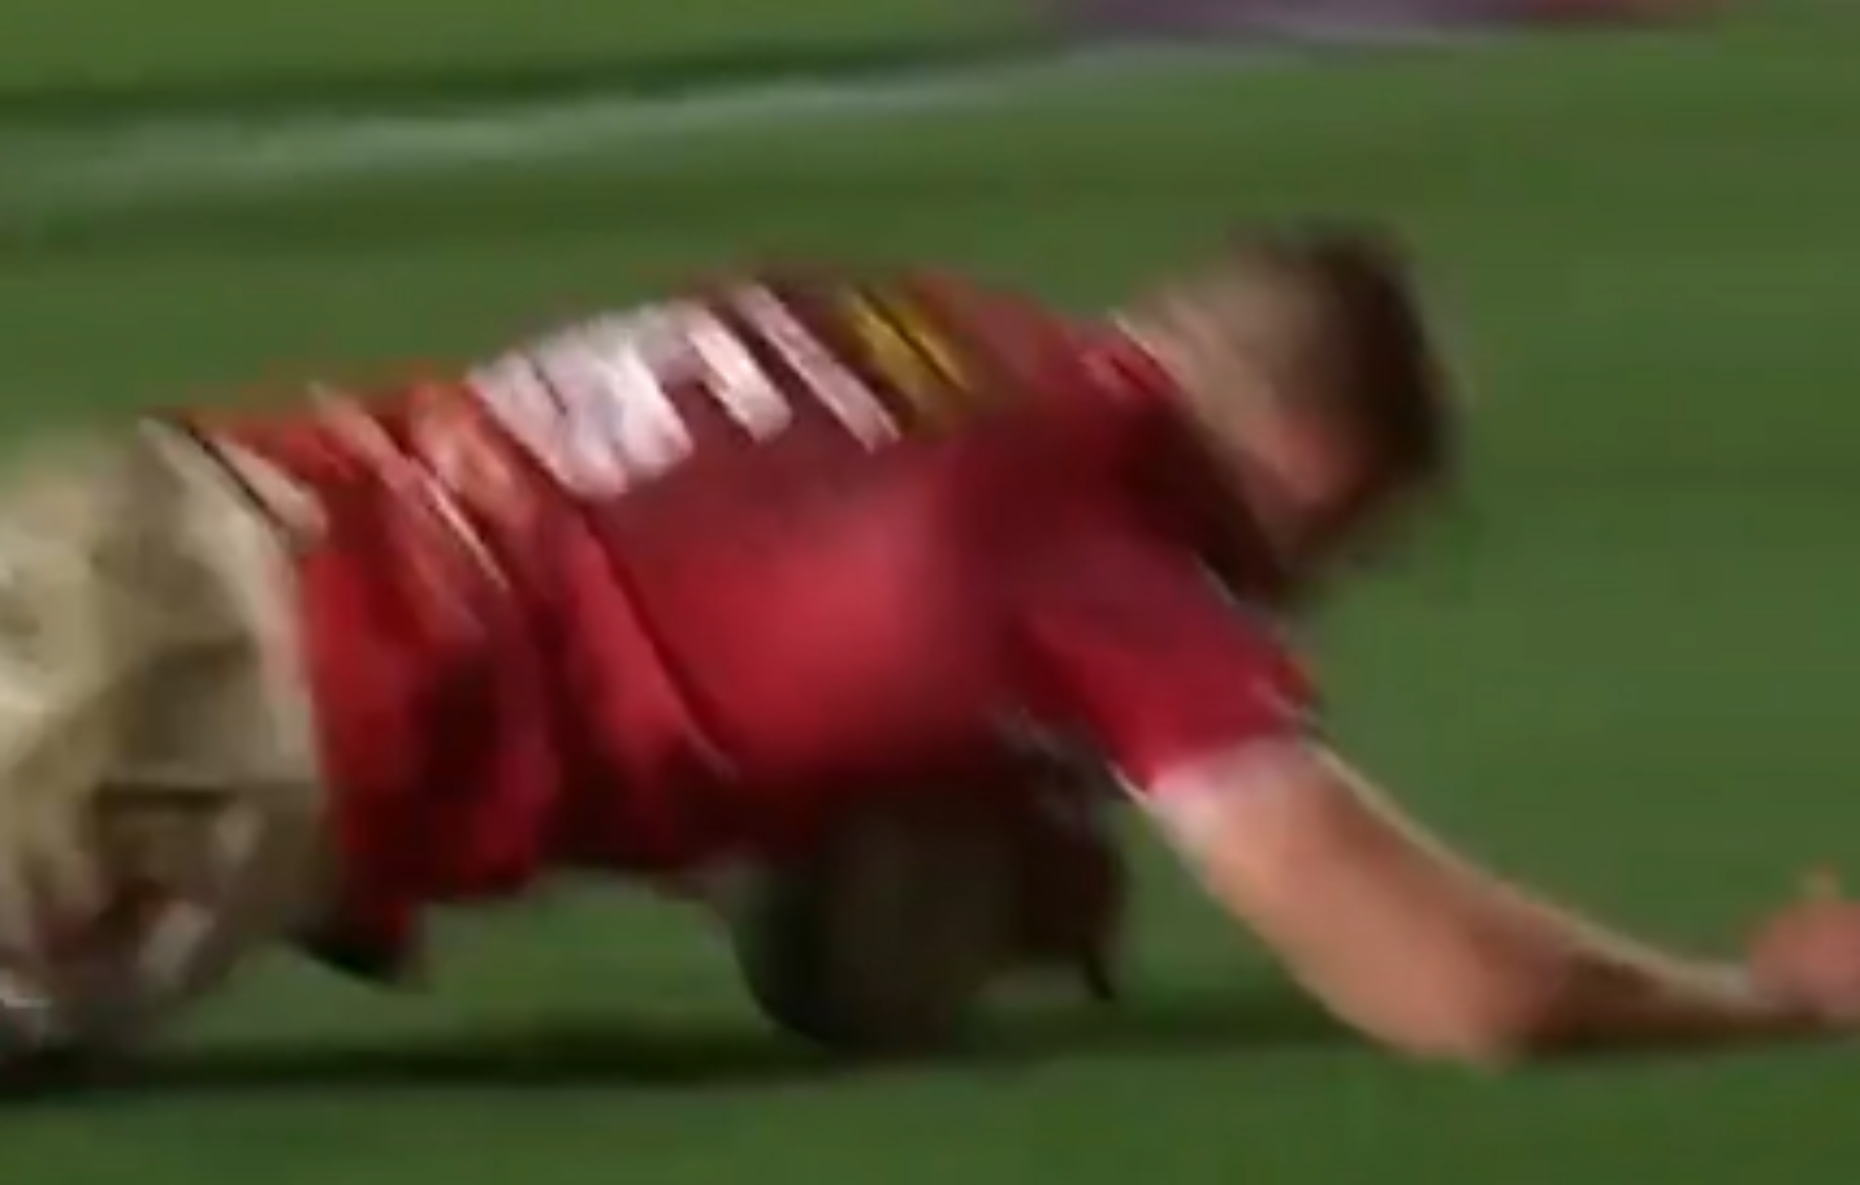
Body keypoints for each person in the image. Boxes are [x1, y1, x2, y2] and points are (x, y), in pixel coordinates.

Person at [0, 225, 1855, 1075]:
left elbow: (671, 627)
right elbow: (1455, 991)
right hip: (183, 730)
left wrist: (930, 827)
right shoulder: (1090, 560)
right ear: (1314, 474)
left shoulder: (920, 322)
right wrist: (1765, 1001)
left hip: (142, 516)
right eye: (1346, 547)